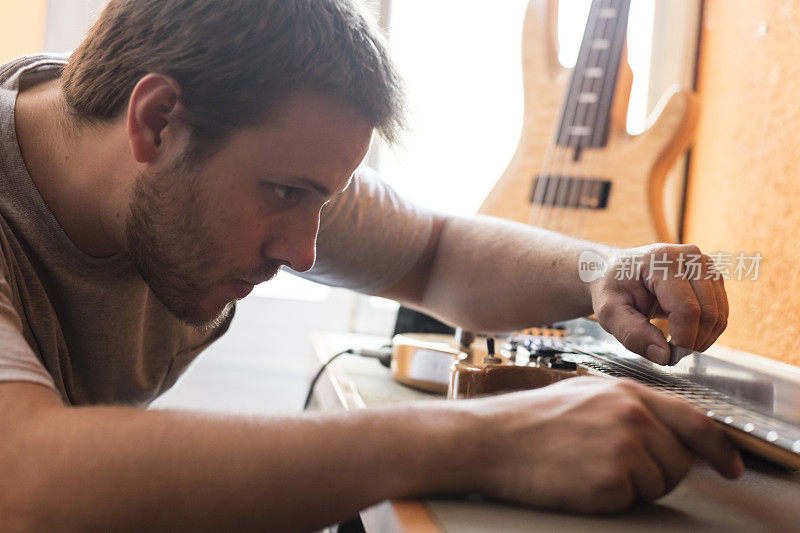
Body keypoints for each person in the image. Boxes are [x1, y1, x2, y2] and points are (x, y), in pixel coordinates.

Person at [0, 0, 740, 529]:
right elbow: (23, 479)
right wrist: (493, 442)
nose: (304, 250)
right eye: (286, 193)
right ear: (155, 121)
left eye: (319, 200)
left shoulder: (237, 139)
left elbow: (435, 254)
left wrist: (600, 270)